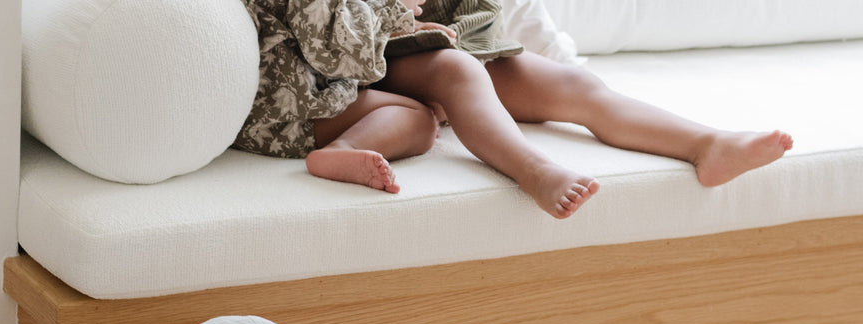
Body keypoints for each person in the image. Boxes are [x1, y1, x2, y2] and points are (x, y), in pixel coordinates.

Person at [235, 0, 793, 215]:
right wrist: (394, 9)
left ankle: (705, 145)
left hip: (404, 51)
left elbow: (469, 16)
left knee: (569, 83)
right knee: (433, 105)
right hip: (313, 82)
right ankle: (535, 171)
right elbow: (333, 45)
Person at [233, 0, 440, 194]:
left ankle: (341, 150)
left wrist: (404, 24)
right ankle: (343, 148)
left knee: (424, 117)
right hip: (283, 117)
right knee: (422, 120)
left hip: (271, 112)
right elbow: (334, 46)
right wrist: (393, 6)